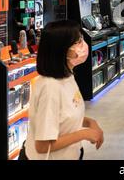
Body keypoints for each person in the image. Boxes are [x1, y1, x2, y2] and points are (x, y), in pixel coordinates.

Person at [23, 20, 104, 160]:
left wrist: (90, 123)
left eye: (81, 39)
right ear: (61, 49)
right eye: (77, 42)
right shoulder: (50, 88)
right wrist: (84, 134)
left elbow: (64, 117)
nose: (83, 46)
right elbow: (42, 146)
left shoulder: (67, 76)